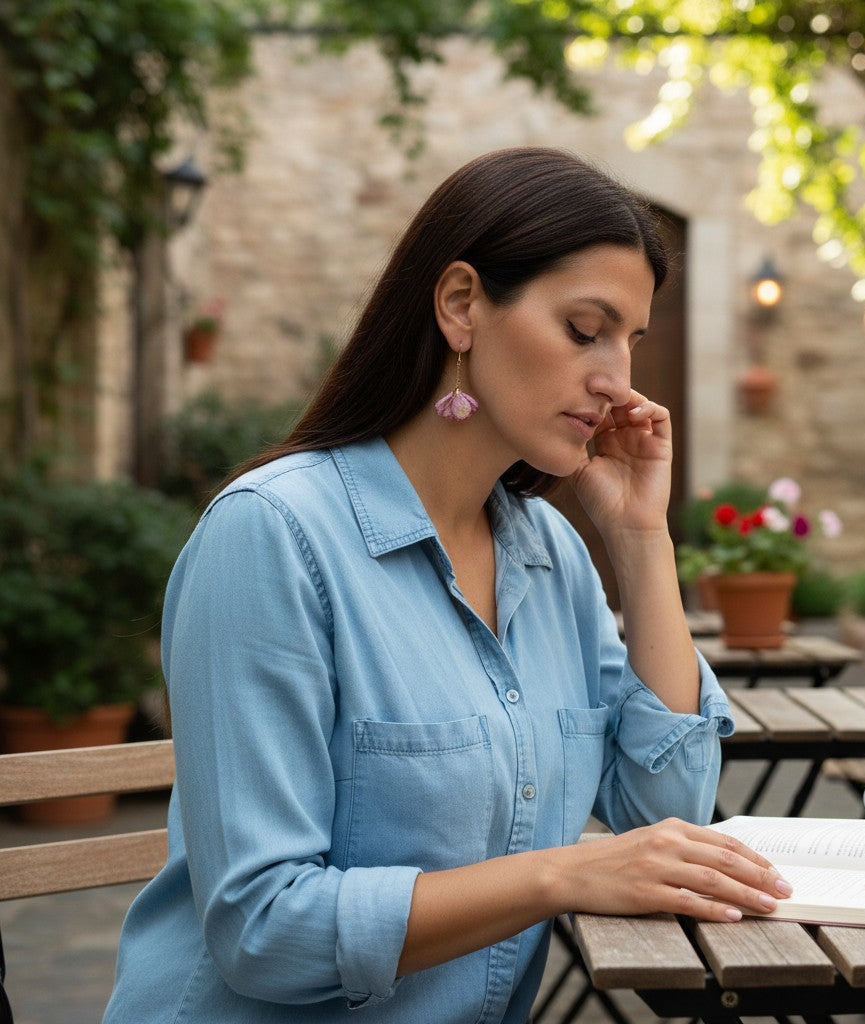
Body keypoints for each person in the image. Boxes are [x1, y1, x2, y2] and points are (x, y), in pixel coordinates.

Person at [104, 147, 791, 1024]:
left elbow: (667, 810)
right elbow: (264, 927)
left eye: (630, 341)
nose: (618, 380)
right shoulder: (271, 538)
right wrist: (560, 874)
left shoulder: (550, 554)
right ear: (462, 305)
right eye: (586, 329)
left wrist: (640, 538)